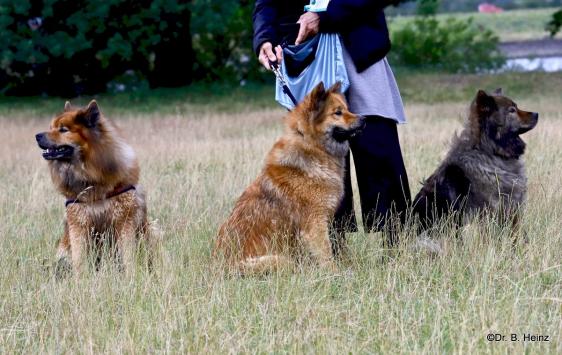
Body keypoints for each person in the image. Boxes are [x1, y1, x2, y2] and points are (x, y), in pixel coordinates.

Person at [253, 0, 410, 254]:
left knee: (378, 143)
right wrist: (264, 38)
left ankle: (398, 245)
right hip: (305, 49)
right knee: (317, 155)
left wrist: (326, 16)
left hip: (358, 45)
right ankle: (330, 248)